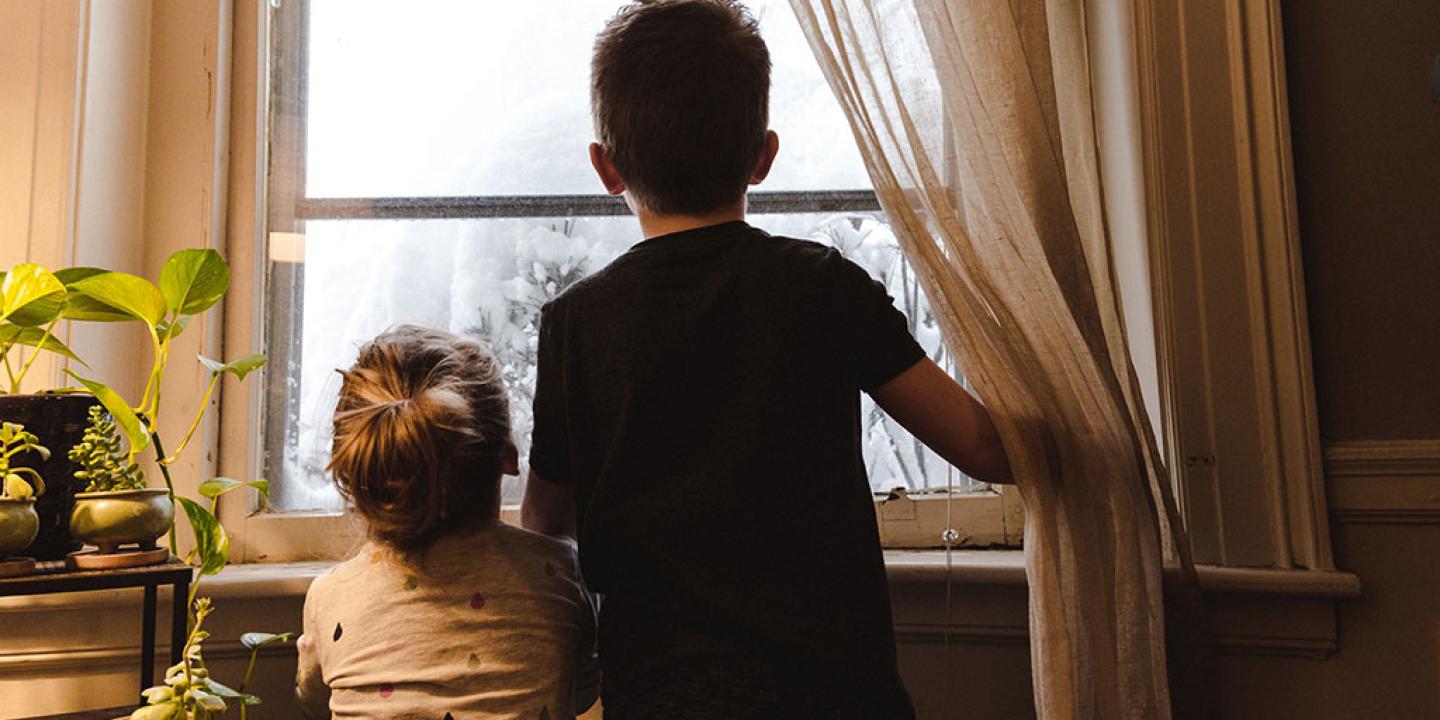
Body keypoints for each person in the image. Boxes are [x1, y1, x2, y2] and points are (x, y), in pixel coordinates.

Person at [520, 1, 1013, 718]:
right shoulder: (824, 286)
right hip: (836, 697)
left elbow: (545, 522)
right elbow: (987, 447)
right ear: (763, 156)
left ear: (606, 167)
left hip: (661, 700)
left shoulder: (576, 322)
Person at [296, 325, 599, 719]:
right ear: (508, 456)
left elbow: (313, 701)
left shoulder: (329, 597)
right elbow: (583, 690)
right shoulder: (561, 572)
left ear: (358, 478)